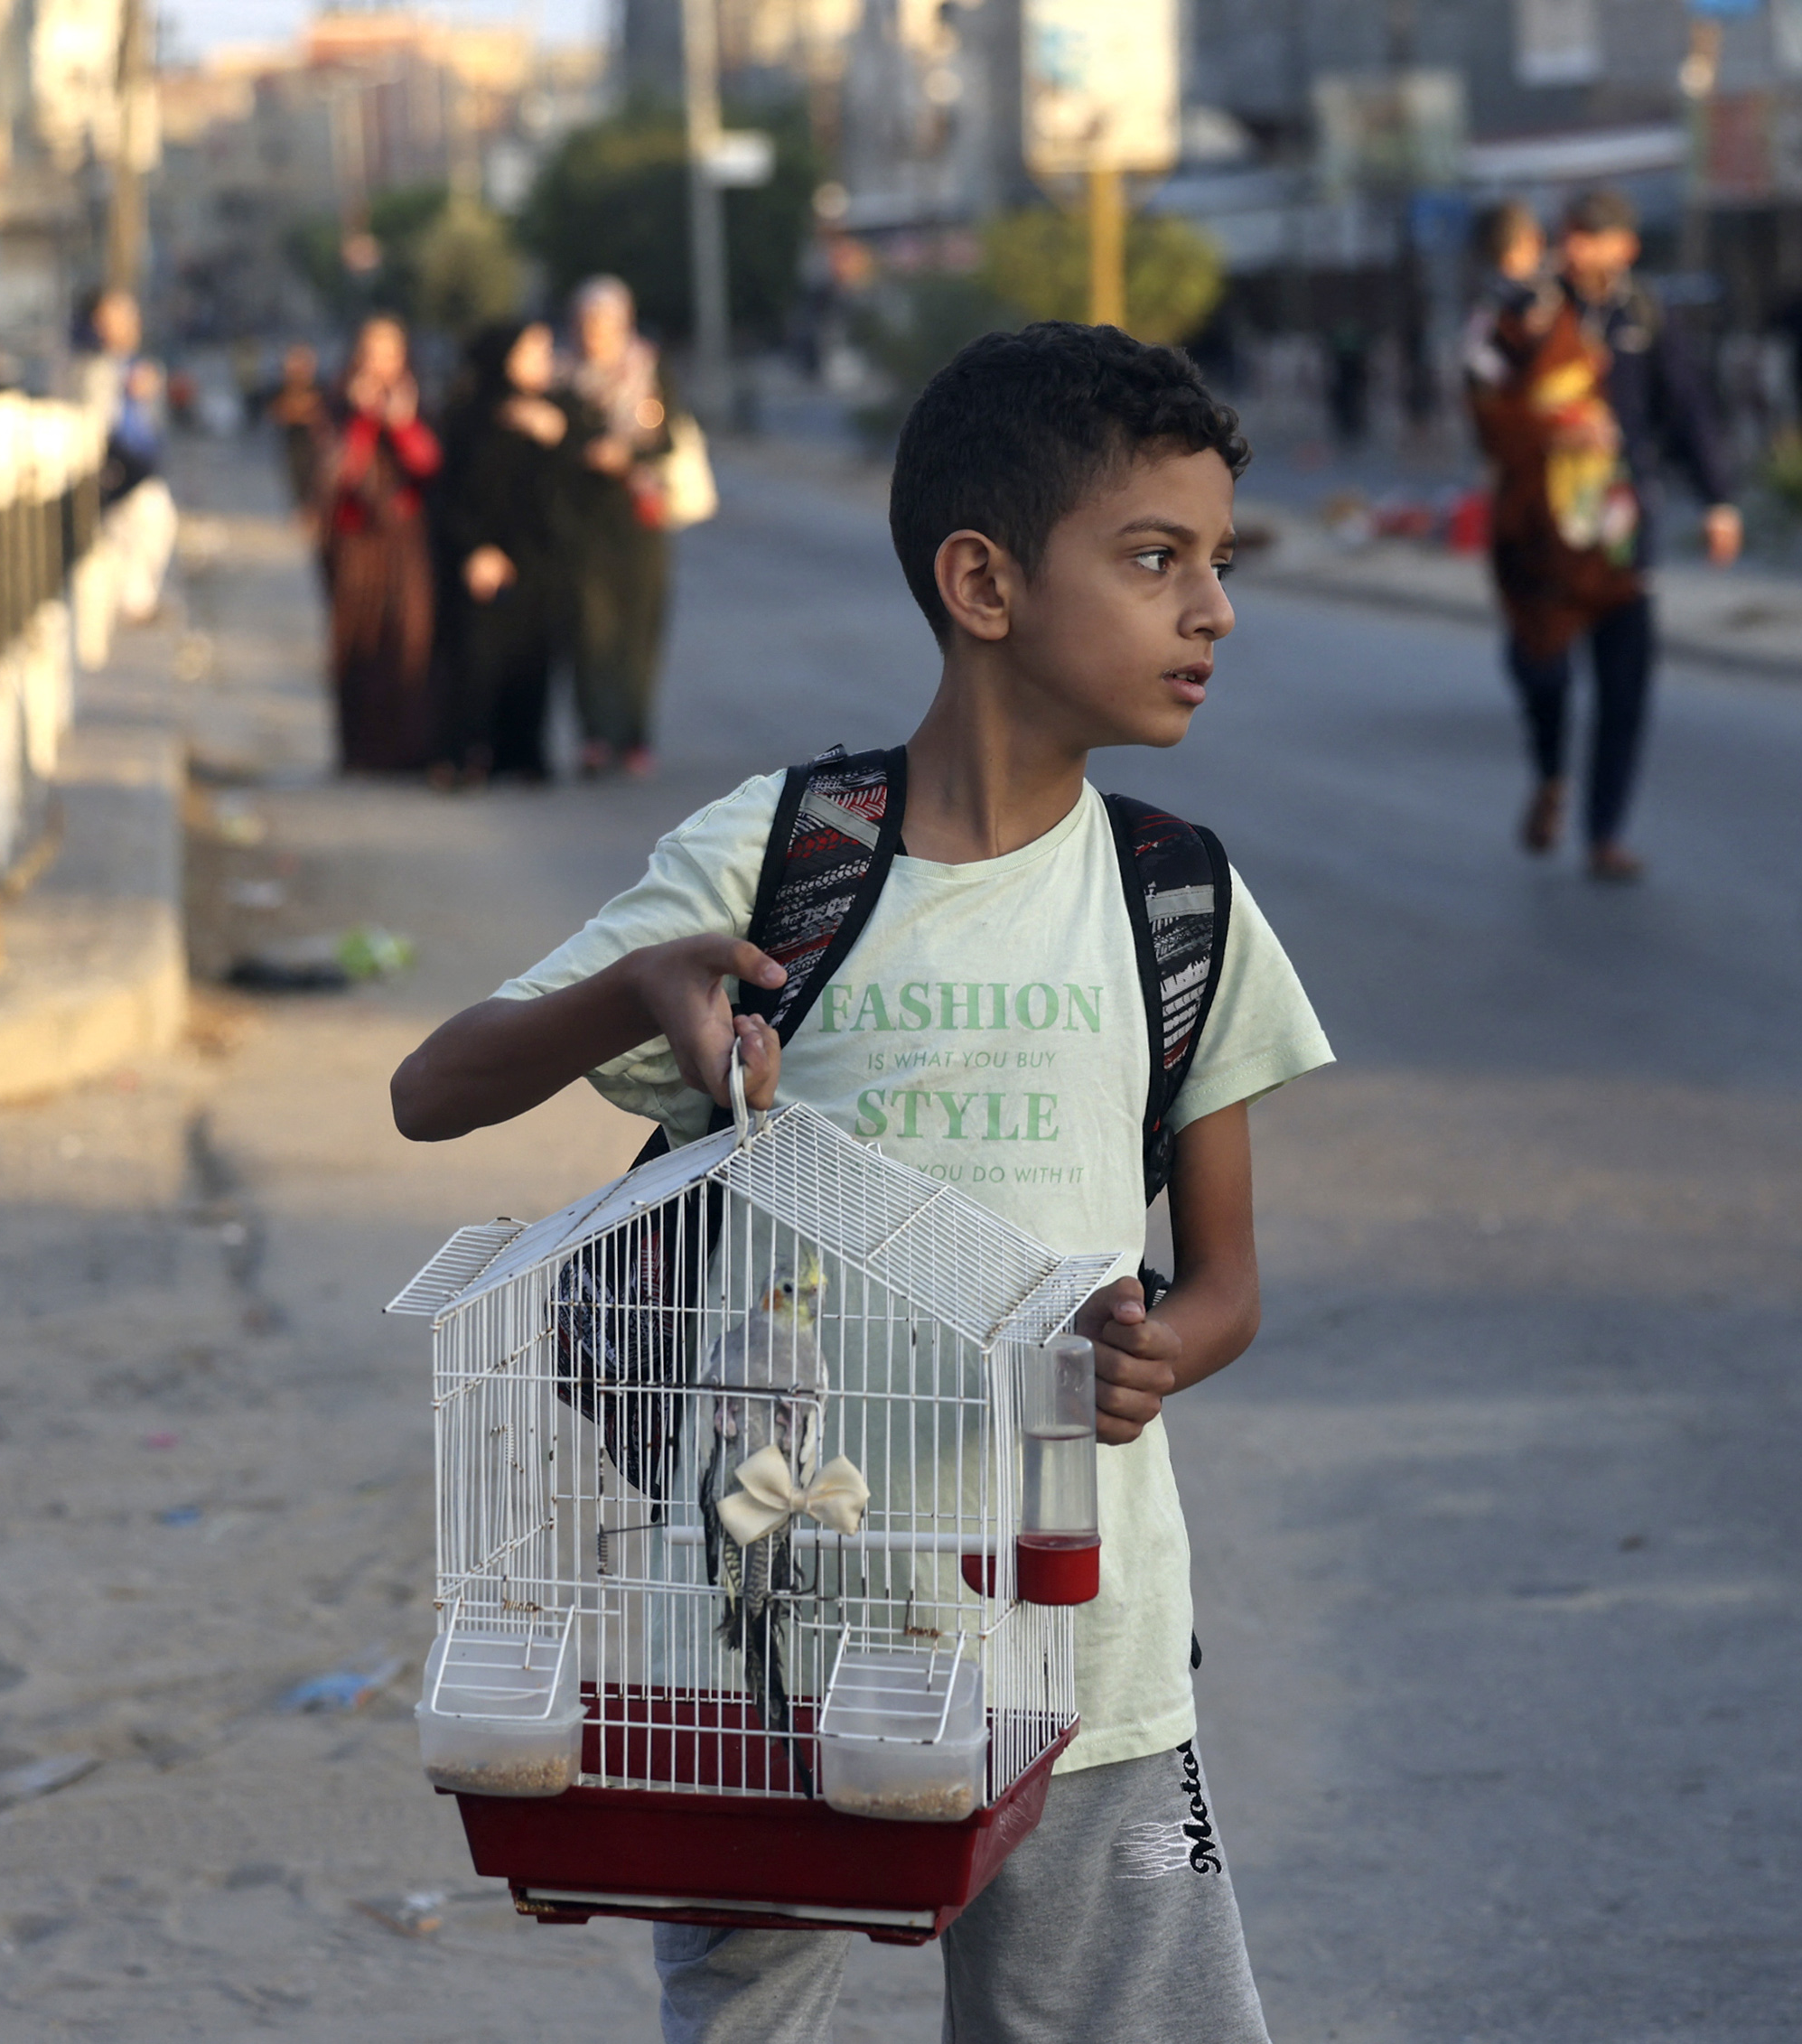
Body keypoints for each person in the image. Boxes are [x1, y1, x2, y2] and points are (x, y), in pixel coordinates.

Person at [387, 322, 1334, 2043]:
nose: (1213, 610)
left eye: (1213, 562)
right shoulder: (786, 856)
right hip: (753, 1647)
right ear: (983, 581)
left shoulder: (1175, 900)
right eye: (1151, 559)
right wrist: (639, 989)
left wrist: (1160, 1351)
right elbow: (433, 1086)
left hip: (1083, 1651)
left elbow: (1227, 1282)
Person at [1471, 188, 1740, 884]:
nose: (1581, 248)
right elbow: (1487, 386)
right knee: (1542, 669)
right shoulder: (1533, 306)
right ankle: (1552, 773)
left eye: (1596, 237)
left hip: (1621, 522)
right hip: (1541, 528)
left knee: (1626, 685)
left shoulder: (1645, 314)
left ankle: (1605, 833)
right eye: (1573, 234)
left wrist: (1719, 501)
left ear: (1627, 246)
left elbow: (1686, 407)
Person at [431, 318, 576, 787]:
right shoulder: (467, 415)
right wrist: (475, 550)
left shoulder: (557, 413)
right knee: (475, 660)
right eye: (533, 352)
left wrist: (556, 439)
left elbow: (570, 496)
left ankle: (522, 751)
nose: (544, 362)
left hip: (537, 561)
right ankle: (467, 753)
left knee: (531, 657)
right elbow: (452, 493)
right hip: (479, 559)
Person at [561, 276, 677, 779]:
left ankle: (634, 734)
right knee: (588, 632)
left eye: (606, 322)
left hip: (637, 518)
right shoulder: (563, 377)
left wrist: (627, 451)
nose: (596, 333)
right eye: (588, 322)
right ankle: (595, 736)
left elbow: (669, 437)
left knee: (637, 632)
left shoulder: (649, 372)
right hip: (584, 522)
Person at [320, 314, 443, 775]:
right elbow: (338, 473)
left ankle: (409, 748)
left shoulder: (418, 401)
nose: (379, 364)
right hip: (355, 543)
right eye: (370, 353)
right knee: (357, 644)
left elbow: (430, 466)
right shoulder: (336, 406)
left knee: (408, 641)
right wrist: (363, 420)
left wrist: (401, 422)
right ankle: (361, 752)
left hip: (406, 542)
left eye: (389, 353)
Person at [77, 289, 178, 626]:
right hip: (118, 465)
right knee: (136, 529)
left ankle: (134, 601)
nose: (130, 323)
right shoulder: (92, 363)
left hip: (138, 464)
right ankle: (131, 604)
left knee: (149, 526)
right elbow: (100, 417)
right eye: (119, 317)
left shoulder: (129, 362)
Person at [262, 341, 331, 534]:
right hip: (292, 442)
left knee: (317, 476)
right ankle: (303, 510)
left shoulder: (320, 386)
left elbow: (323, 412)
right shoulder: (280, 387)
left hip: (315, 442)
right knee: (296, 477)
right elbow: (275, 412)